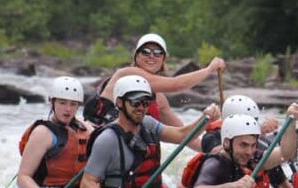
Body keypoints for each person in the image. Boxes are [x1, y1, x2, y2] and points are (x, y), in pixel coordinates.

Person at [80, 75, 219, 188]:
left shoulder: (148, 124)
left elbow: (181, 135)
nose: (141, 108)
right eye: (135, 102)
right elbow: (87, 184)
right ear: (119, 103)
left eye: (146, 102)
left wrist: (204, 119)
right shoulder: (108, 139)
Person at [94, 33, 225, 150]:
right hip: (104, 147)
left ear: (163, 59)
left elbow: (184, 136)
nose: (151, 56)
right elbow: (176, 85)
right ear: (136, 57)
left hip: (132, 160)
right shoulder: (127, 74)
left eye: (157, 53)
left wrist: (215, 150)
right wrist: (209, 69)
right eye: (145, 51)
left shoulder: (160, 100)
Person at [18, 76, 100, 188]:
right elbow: (23, 178)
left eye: (73, 104)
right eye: (62, 103)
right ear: (53, 102)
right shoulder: (43, 133)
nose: (68, 109)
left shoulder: (85, 129)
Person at [200, 95, 293, 188]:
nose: (251, 125)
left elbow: (284, 187)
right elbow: (218, 154)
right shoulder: (212, 138)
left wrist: (290, 124)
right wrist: (258, 132)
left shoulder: (262, 145)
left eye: (254, 121)